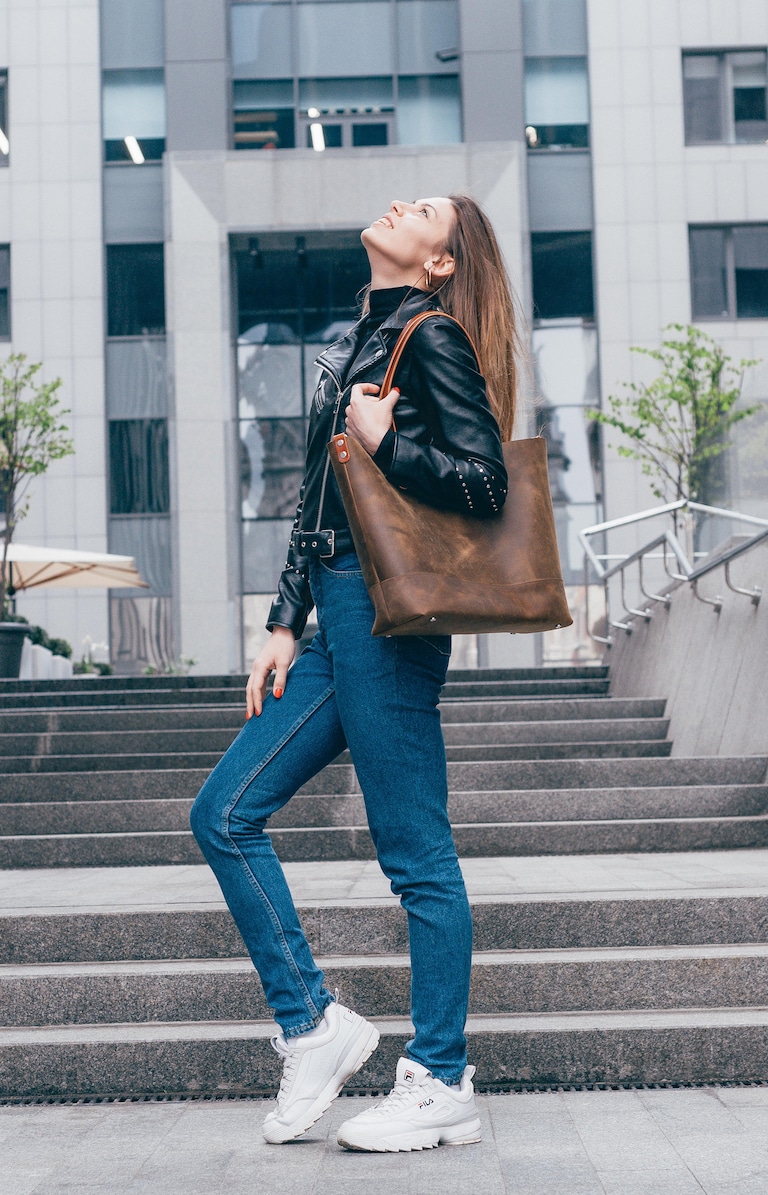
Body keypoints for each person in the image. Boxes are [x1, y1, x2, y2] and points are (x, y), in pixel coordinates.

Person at [190, 193, 519, 1152]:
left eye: (424, 210)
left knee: (415, 852)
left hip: (390, 621)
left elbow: (485, 480)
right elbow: (314, 499)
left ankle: (443, 1074)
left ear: (441, 262)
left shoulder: (432, 337)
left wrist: (388, 441)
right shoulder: (357, 340)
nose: (398, 204)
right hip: (334, 620)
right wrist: (282, 621)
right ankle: (313, 1026)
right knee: (224, 810)